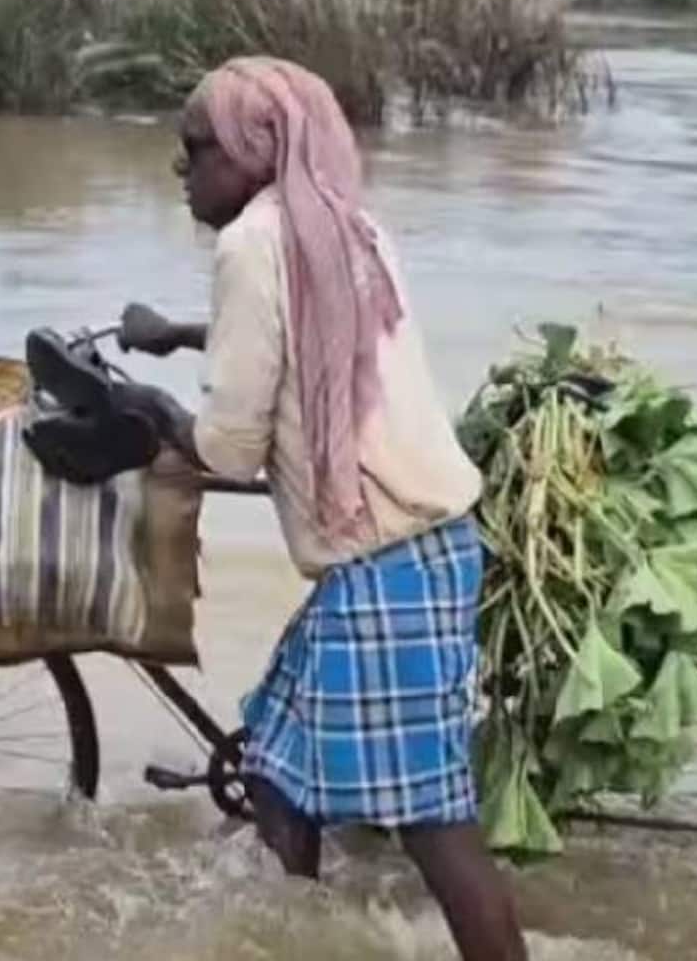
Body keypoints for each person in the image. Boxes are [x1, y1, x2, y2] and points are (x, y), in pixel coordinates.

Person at [112, 56, 528, 961]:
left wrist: (147, 411)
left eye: (197, 150)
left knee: (435, 824)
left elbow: (226, 445)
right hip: (426, 543)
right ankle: (294, 937)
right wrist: (183, 336)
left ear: (255, 152)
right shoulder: (349, 225)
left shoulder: (250, 244)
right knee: (272, 767)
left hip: (385, 562)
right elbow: (310, 339)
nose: (183, 169)